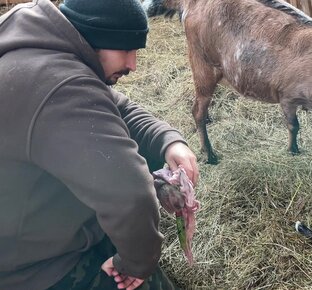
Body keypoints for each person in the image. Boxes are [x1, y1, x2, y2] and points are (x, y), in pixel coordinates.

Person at [0, 0, 199, 289]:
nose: (133, 64)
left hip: (28, 217)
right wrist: (136, 264)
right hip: (33, 267)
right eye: (126, 49)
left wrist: (168, 141)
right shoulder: (63, 89)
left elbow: (117, 108)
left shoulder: (40, 47)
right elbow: (131, 196)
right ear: (98, 36)